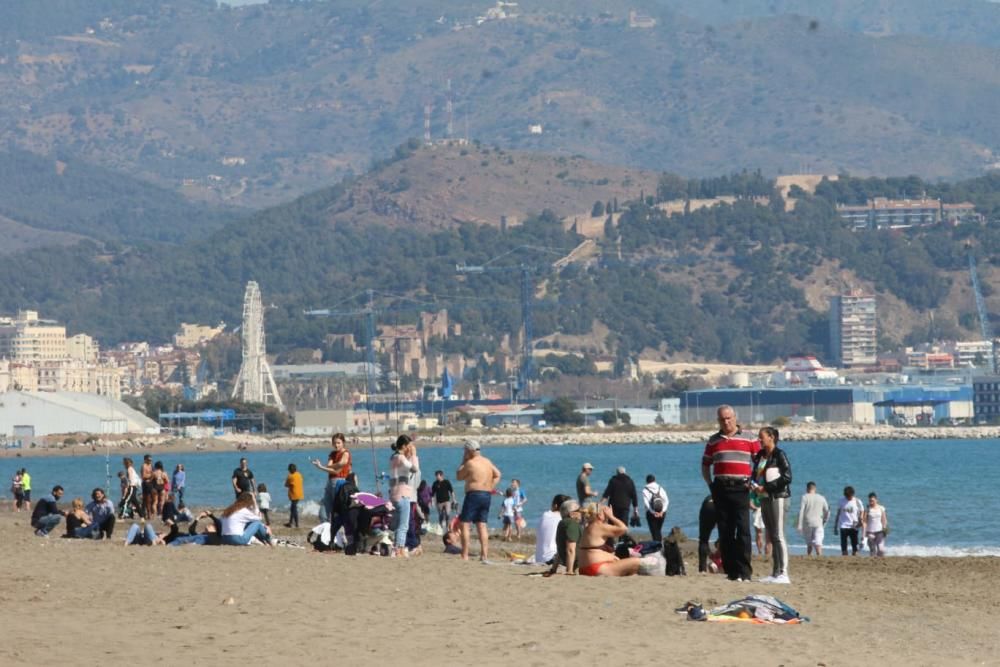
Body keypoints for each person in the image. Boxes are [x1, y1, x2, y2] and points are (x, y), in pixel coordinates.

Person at [701, 404, 760, 582]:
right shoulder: (713, 441)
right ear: (718, 421)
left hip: (741, 488)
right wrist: (711, 484)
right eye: (722, 419)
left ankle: (745, 572)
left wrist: (754, 484)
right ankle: (731, 572)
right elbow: (705, 465)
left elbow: (759, 463)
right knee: (725, 532)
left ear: (735, 418)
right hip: (721, 487)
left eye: (729, 418)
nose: (726, 422)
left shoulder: (749, 437)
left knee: (743, 531)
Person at [751, 426, 792, 584]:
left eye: (762, 437)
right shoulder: (761, 456)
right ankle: (775, 572)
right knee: (771, 534)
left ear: (772, 437)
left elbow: (787, 477)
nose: (759, 440)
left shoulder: (780, 455)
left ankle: (784, 572)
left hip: (778, 497)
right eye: (758, 437)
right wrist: (753, 485)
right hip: (763, 498)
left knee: (779, 534)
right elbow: (755, 473)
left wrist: (767, 487)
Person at [456, 440, 501, 563]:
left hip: (474, 494)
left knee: (465, 523)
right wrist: (491, 486)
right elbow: (498, 474)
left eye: (465, 451)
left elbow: (459, 476)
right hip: (486, 495)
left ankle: (465, 554)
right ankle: (484, 555)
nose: (464, 453)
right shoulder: (487, 462)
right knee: (482, 524)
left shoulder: (470, 463)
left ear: (469, 451)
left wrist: (463, 461)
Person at [577, 504, 640, 576]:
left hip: (583, 569)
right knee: (636, 561)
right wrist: (611, 516)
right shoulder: (600, 526)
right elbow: (623, 528)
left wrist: (611, 557)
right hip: (596, 568)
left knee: (619, 562)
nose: (607, 514)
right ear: (600, 515)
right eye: (605, 512)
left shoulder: (587, 527)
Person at [311, 433, 352, 522]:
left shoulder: (346, 453)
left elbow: (340, 466)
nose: (336, 445)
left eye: (338, 443)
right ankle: (326, 529)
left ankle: (342, 528)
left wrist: (321, 467)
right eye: (334, 443)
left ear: (343, 442)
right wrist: (325, 466)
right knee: (324, 510)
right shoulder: (333, 454)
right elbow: (330, 466)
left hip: (340, 482)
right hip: (330, 482)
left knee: (338, 508)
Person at [545, 499, 583, 576]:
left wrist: (554, 568)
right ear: (571, 514)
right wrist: (569, 570)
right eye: (578, 510)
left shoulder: (562, 523)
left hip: (574, 562)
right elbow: (570, 549)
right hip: (580, 563)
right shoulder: (571, 524)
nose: (581, 512)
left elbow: (560, 549)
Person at [535, 494, 570, 565]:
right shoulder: (563, 520)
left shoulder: (545, 515)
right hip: (552, 559)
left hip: (539, 558)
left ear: (555, 506)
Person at [797, 481, 830, 556]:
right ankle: (819, 556)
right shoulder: (821, 498)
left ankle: (809, 556)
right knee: (818, 543)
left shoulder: (804, 497)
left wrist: (799, 525)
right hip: (818, 523)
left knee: (809, 543)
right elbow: (827, 511)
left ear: (807, 488)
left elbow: (801, 511)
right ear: (815, 488)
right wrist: (825, 520)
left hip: (807, 523)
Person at [834, 485, 865, 556]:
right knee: (843, 545)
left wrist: (861, 518)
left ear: (853, 494)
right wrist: (835, 526)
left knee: (855, 545)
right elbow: (838, 513)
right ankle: (845, 557)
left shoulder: (857, 501)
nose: (849, 498)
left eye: (850, 496)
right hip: (843, 525)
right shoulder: (841, 501)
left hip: (854, 526)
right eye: (847, 496)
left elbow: (862, 511)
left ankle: (855, 556)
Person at [641, 474, 669, 543]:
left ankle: (657, 546)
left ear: (646, 481)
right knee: (658, 530)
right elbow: (667, 501)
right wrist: (662, 511)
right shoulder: (660, 488)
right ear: (655, 480)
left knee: (654, 531)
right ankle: (660, 545)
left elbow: (646, 504)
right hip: (662, 513)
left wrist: (653, 512)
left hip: (651, 513)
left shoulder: (645, 490)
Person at [862, 492, 889, 557]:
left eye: (872, 501)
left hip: (879, 531)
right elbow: (864, 522)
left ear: (876, 500)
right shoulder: (867, 510)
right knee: (872, 549)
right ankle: (872, 561)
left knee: (881, 550)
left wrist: (885, 529)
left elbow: (884, 519)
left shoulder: (881, 508)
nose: (871, 502)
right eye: (870, 501)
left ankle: (880, 561)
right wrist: (864, 533)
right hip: (870, 532)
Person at [697, 494, 718, 574]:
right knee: (726, 537)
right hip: (721, 503)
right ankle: (726, 566)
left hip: (708, 504)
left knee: (703, 539)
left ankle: (702, 569)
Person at [284, 463, 304, 528]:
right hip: (300, 494)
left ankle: (295, 523)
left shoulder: (290, 476)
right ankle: (292, 523)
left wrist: (290, 484)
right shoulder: (299, 474)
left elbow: (286, 485)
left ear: (289, 470)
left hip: (294, 495)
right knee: (293, 508)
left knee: (293, 509)